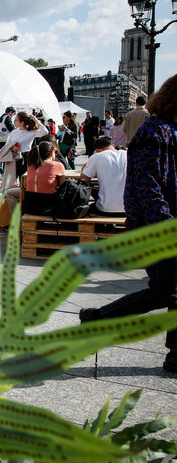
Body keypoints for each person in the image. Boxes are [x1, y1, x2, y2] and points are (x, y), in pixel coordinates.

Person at [79, 74, 177, 373]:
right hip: (155, 225)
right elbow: (146, 183)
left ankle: (101, 319)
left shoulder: (169, 130)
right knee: (168, 292)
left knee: (168, 292)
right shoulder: (155, 131)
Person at [0, 111, 49, 188]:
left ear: (22, 122)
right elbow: (7, 145)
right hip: (14, 157)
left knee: (24, 181)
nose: (14, 122)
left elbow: (45, 132)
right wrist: (12, 148)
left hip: (26, 157)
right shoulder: (14, 132)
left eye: (16, 120)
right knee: (11, 180)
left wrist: (36, 120)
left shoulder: (31, 132)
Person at [79, 137, 126, 216]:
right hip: (129, 208)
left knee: (88, 209)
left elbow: (83, 180)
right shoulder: (127, 154)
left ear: (97, 150)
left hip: (105, 208)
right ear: (113, 146)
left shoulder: (96, 157)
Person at [22, 141, 65, 216]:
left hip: (29, 205)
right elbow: (63, 187)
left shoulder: (31, 164)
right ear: (51, 153)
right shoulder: (57, 165)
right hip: (47, 207)